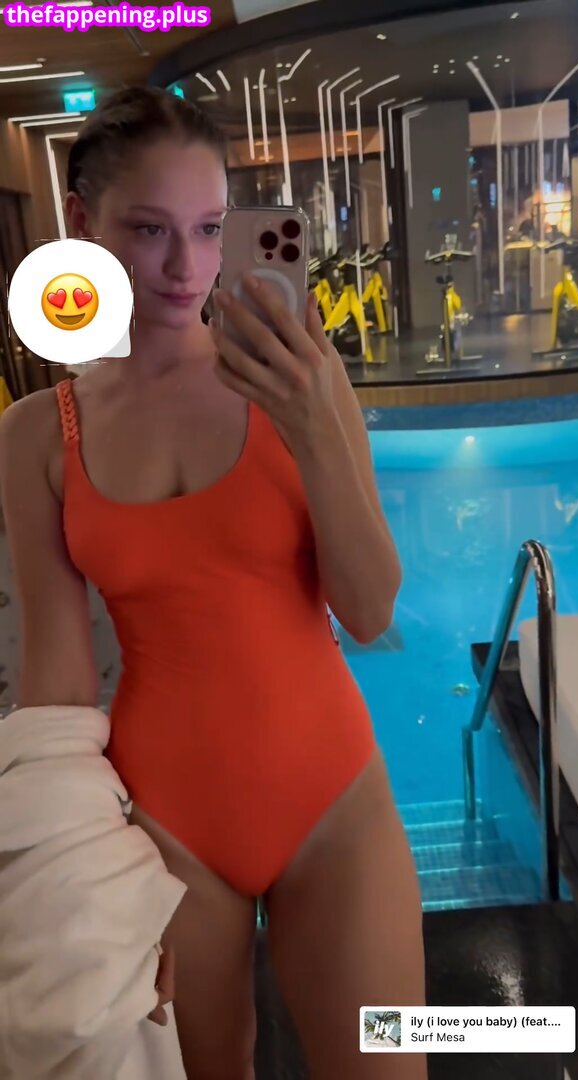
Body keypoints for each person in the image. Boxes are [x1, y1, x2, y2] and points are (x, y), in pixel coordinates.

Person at [0, 87, 427, 1080]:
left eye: (206, 228)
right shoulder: (37, 436)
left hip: (332, 797)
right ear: (81, 222)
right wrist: (65, 883)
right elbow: (56, 682)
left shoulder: (303, 377)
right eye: (149, 230)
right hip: (165, 821)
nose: (186, 267)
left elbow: (368, 610)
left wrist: (315, 429)